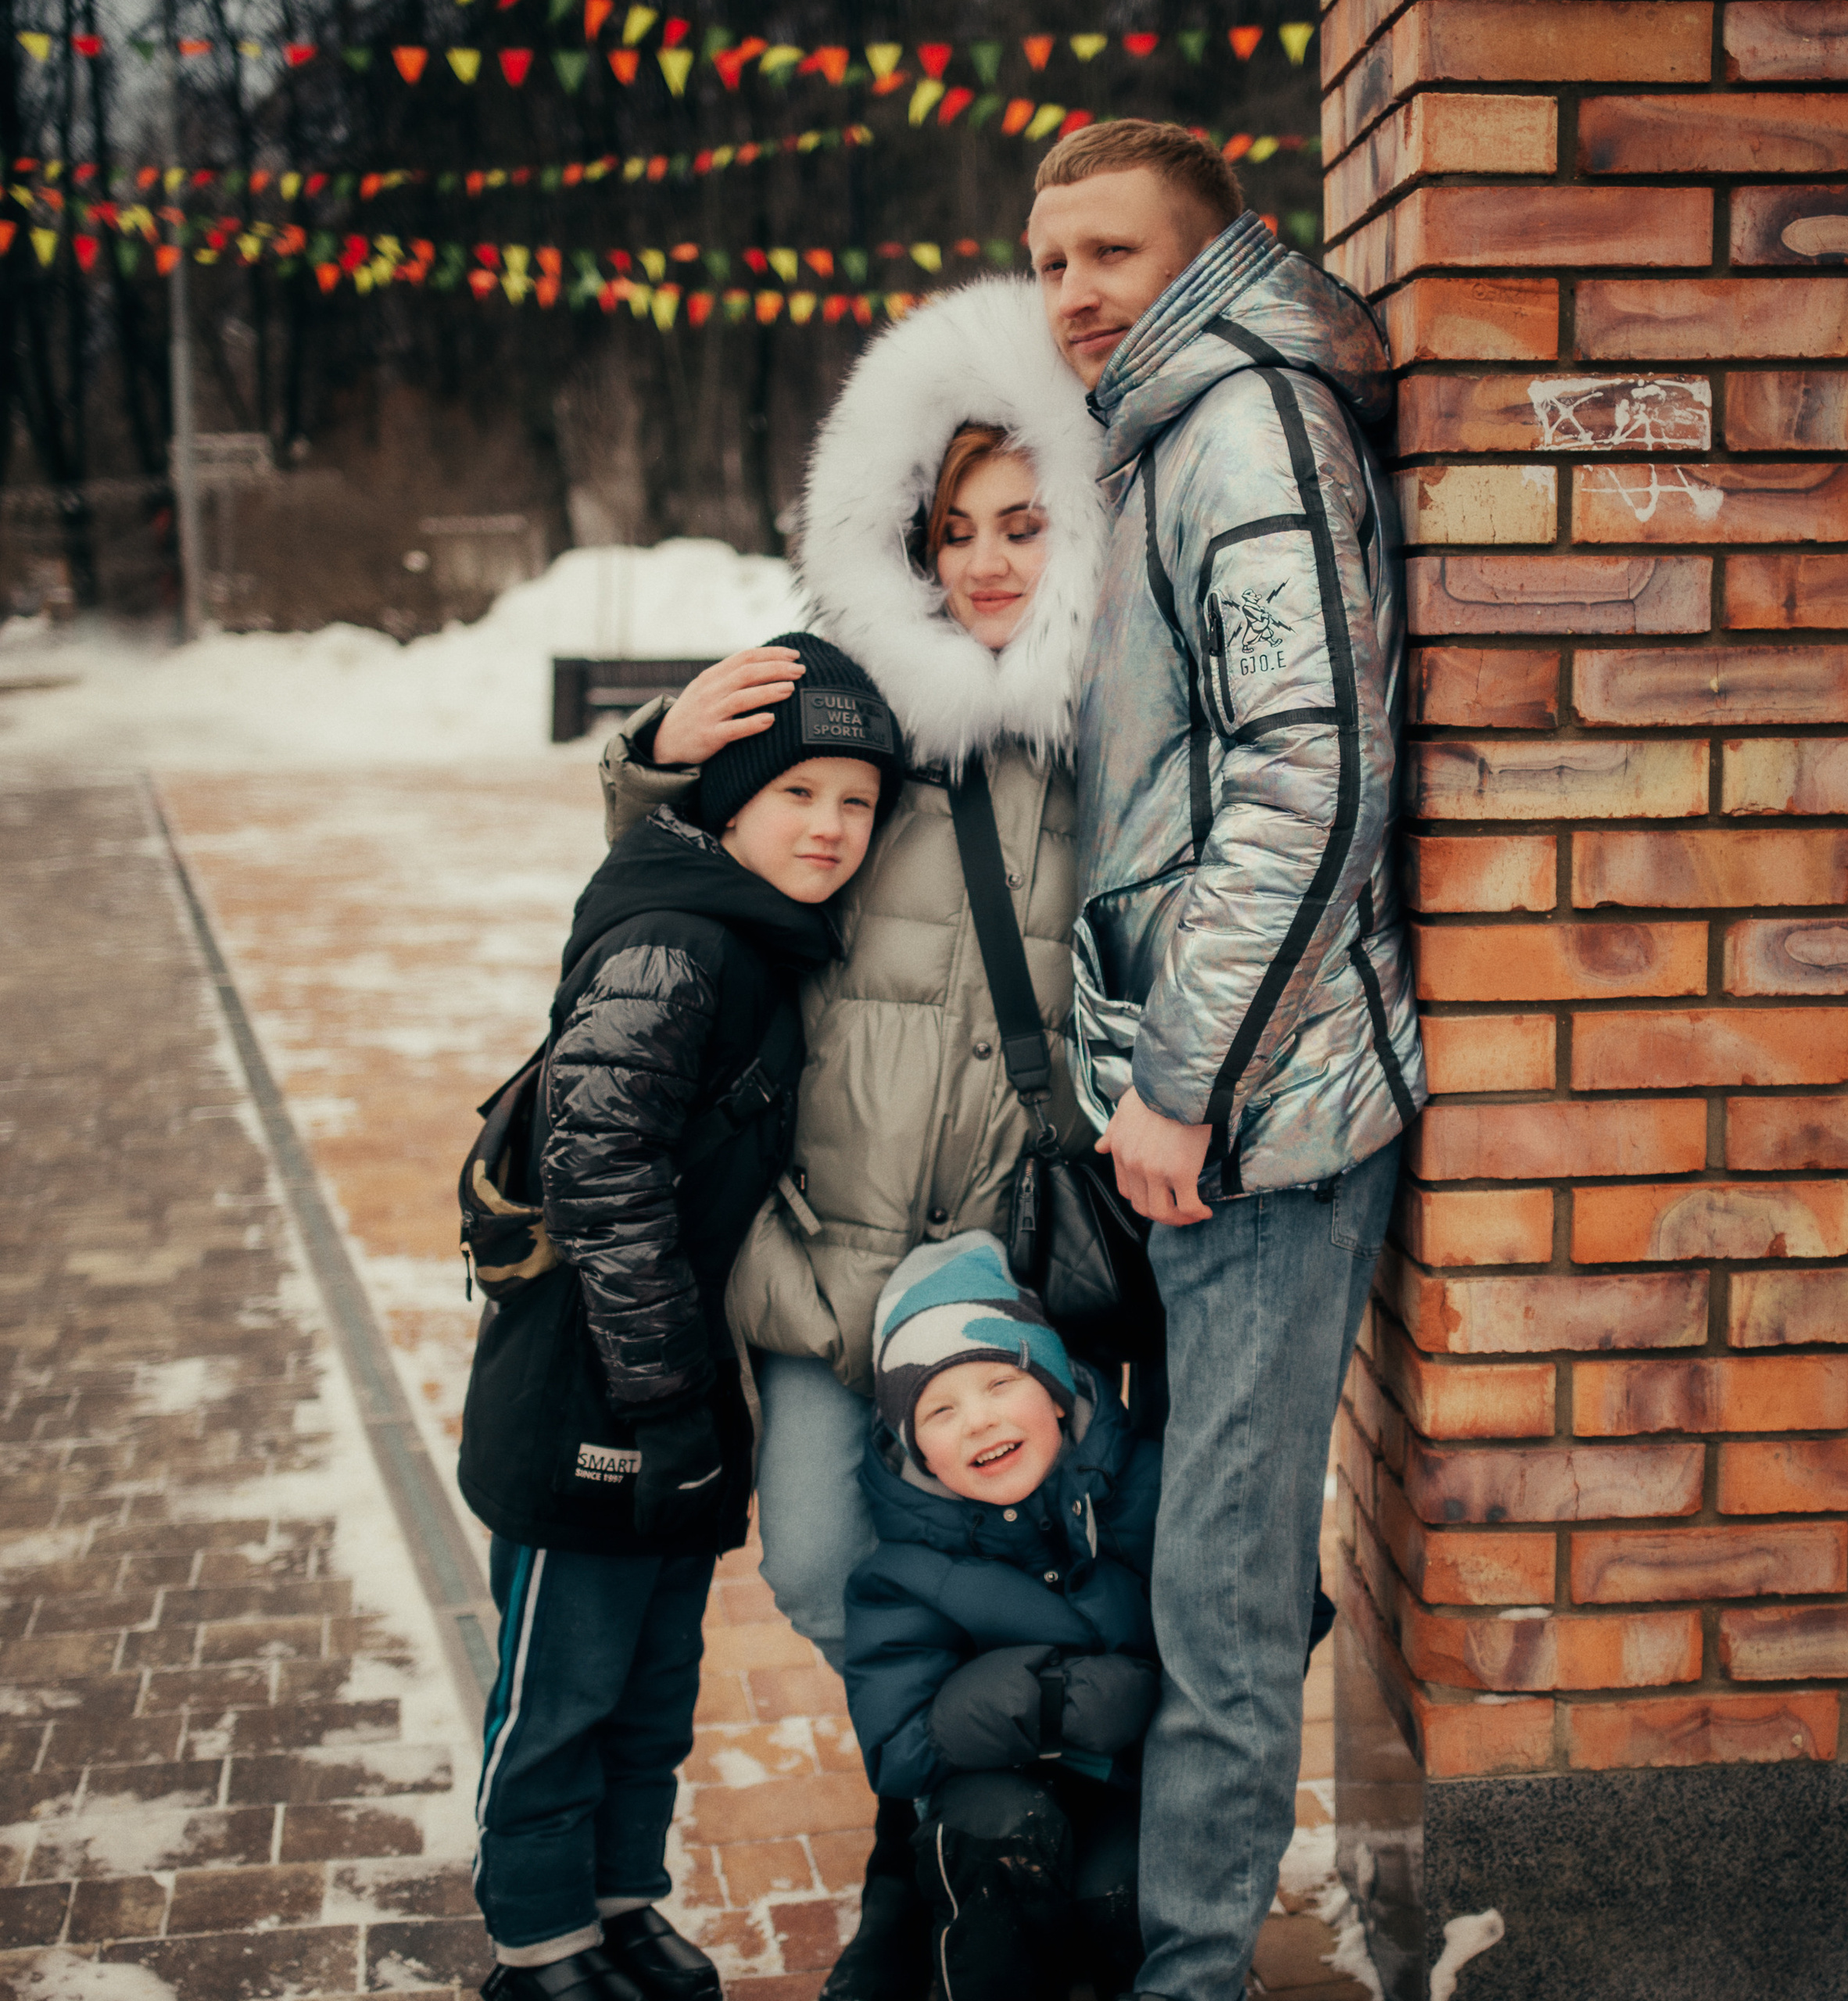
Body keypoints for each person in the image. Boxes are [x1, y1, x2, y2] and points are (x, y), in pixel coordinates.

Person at [598, 276, 1106, 1999]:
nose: (986, 561)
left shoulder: (1105, 723)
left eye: (1021, 523)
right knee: (822, 1559)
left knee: (1020, 1550)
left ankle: (946, 1853)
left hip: (1006, 1264)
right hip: (821, 1254)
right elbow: (680, 855)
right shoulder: (854, 704)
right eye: (953, 528)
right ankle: (944, 1806)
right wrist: (650, 757)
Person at [1025, 120, 1424, 2001]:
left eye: (1106, 254)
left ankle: (1187, 1978)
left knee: (1222, 1589)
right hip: (1188, 1111)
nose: (1070, 294)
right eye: (1047, 263)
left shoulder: (1248, 423)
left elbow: (1309, 780)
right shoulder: (1163, 436)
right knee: (1198, 1564)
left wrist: (1181, 1083)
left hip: (1252, 1125)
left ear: (1201, 255)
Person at [464, 643, 903, 2001]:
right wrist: (660, 1402)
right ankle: (539, 1944)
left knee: (652, 1685)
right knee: (560, 1691)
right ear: (726, 804)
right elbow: (600, 1172)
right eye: (797, 795)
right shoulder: (680, 943)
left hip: (672, 1385)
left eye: (857, 802)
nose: (830, 827)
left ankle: (619, 1902)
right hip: (586, 1392)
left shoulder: (755, 934)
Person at [843, 1231, 1162, 2001]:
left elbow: (1265, 1616)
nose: (978, 1421)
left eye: (999, 1382)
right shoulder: (902, 1573)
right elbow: (897, 1746)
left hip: (1131, 1786)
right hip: (992, 1792)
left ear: (1054, 1391)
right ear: (917, 1450)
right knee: (993, 1838)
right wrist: (1044, 1699)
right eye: (939, 1409)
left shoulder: (1141, 1486)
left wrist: (1148, 1689)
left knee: (1121, 1892)